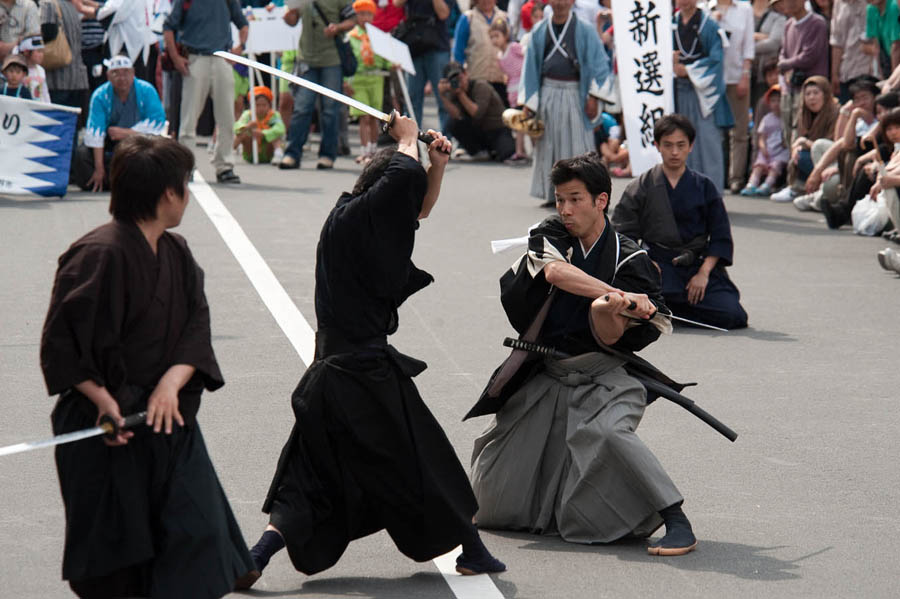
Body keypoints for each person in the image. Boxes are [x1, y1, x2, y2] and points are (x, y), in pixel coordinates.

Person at [235, 115, 506, 590]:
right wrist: (406, 139)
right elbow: (403, 182)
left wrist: (435, 165)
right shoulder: (354, 220)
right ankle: (472, 548)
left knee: (309, 473)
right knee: (424, 458)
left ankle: (257, 553)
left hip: (330, 378)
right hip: (364, 374)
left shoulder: (361, 224)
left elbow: (413, 209)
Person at [39, 135, 255, 599]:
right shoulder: (97, 255)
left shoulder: (176, 252)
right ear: (166, 195)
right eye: (184, 185)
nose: (188, 196)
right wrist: (102, 402)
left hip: (166, 419)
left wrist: (170, 386)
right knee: (121, 562)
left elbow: (195, 326)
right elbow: (62, 345)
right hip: (107, 425)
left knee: (195, 538)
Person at [468, 153, 699, 557]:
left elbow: (612, 339)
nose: (566, 209)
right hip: (550, 371)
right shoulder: (552, 232)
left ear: (601, 200)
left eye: (575, 199)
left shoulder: (631, 259)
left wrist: (611, 309)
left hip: (605, 374)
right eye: (560, 199)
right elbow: (555, 273)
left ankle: (676, 519)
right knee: (491, 500)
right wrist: (615, 295)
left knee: (609, 433)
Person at [614, 114, 748, 331]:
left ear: (691, 146)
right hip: (658, 267)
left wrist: (704, 273)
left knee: (733, 315)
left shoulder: (705, 186)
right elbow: (622, 235)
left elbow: (720, 235)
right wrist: (645, 263)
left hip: (695, 265)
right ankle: (663, 307)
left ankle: (664, 311)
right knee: (625, 295)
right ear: (657, 145)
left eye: (680, 145)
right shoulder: (641, 186)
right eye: (667, 145)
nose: (674, 152)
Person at [520, 0, 609, 206]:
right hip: (548, 92)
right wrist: (528, 103)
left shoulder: (585, 29)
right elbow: (530, 68)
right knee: (548, 143)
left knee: (578, 144)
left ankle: (584, 192)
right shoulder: (539, 30)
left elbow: (599, 64)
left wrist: (594, 97)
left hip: (575, 93)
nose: (560, 3)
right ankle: (554, 194)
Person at [163, 0, 248, 184]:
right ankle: (187, 166)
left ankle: (224, 166)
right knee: (189, 118)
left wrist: (240, 48)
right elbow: (168, 27)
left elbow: (243, 23)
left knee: (227, 118)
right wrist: (175, 58)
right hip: (195, 57)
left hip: (222, 58)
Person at [279, 0, 356, 170]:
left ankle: (327, 155)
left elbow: (352, 19)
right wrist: (288, 17)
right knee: (302, 107)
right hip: (306, 59)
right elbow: (292, 20)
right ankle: (292, 153)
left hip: (332, 60)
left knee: (330, 109)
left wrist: (338, 27)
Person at [73, 55, 166, 192]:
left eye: (126, 73)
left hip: (139, 142)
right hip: (109, 144)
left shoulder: (146, 90)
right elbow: (95, 133)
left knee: (156, 153)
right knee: (82, 155)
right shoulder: (100, 95)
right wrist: (99, 168)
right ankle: (107, 180)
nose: (122, 78)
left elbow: (157, 123)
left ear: (133, 73)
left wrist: (127, 133)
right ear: (108, 76)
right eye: (116, 73)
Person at [672, 0, 734, 196]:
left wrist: (688, 71)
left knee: (707, 141)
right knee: (680, 141)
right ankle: (685, 192)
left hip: (704, 92)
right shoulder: (670, 24)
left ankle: (712, 193)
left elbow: (716, 59)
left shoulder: (709, 25)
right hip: (679, 91)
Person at [792, 76, 880, 211]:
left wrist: (855, 113)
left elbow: (849, 146)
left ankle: (825, 198)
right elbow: (839, 142)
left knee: (841, 167)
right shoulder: (859, 121)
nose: (861, 103)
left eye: (865, 98)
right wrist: (847, 113)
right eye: (857, 99)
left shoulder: (881, 120)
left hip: (861, 167)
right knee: (819, 145)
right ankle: (820, 194)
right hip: (841, 165)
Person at [823, 104, 900, 228]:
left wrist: (881, 173)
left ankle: (842, 213)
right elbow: (878, 152)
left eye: (897, 127)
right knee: (866, 169)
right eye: (889, 129)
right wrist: (871, 164)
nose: (893, 132)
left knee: (874, 175)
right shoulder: (894, 146)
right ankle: (844, 211)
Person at [769, 75, 839, 202]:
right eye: (808, 94)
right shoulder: (804, 115)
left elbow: (834, 145)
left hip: (833, 161)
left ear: (826, 94)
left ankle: (806, 189)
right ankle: (797, 188)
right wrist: (798, 146)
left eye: (816, 93)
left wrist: (805, 142)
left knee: (808, 152)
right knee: (799, 154)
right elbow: (798, 139)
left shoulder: (836, 113)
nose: (811, 97)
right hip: (814, 157)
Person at [711, 0, 755, 194]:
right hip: (710, 79)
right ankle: (714, 177)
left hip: (736, 76)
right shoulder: (706, 9)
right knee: (713, 131)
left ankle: (736, 178)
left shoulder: (745, 9)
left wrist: (745, 75)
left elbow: (748, 46)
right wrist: (713, 21)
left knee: (739, 130)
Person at [771, 0, 828, 148]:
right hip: (789, 89)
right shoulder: (788, 24)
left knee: (803, 133)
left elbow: (810, 55)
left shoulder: (817, 23)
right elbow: (782, 53)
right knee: (788, 133)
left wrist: (785, 65)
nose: (789, 3)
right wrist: (785, 66)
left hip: (809, 90)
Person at [437, 61, 515, 162]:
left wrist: (461, 94)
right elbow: (457, 116)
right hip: (479, 131)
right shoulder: (453, 91)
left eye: (459, 77)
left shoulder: (480, 86)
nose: (458, 82)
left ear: (466, 74)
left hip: (497, 129)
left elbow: (477, 113)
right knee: (452, 123)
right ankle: (478, 151)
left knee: (507, 154)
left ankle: (496, 149)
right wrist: (443, 96)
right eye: (453, 80)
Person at [394, 0, 453, 129]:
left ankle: (445, 142)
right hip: (414, 46)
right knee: (412, 101)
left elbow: (443, 14)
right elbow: (396, 3)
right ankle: (411, 143)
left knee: (443, 97)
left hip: (437, 46)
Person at [347, 0, 391, 163]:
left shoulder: (378, 37)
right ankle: (364, 150)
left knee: (374, 116)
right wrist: (346, 81)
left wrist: (392, 64)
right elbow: (347, 59)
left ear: (373, 16)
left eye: (368, 14)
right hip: (358, 78)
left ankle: (373, 150)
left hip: (376, 77)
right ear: (356, 16)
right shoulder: (351, 36)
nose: (365, 17)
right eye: (361, 14)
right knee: (363, 116)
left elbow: (385, 57)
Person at [452, 0, 507, 103]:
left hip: (500, 79)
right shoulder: (468, 18)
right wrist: (461, 74)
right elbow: (458, 52)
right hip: (476, 80)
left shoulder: (504, 18)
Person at [489, 17, 527, 164]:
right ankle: (521, 150)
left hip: (523, 88)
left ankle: (520, 151)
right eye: (492, 37)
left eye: (497, 36)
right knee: (519, 122)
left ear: (505, 35)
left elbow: (527, 54)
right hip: (512, 91)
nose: (494, 40)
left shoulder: (514, 47)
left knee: (523, 121)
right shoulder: (499, 56)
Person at [742, 85, 790, 196]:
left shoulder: (786, 118)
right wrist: (763, 147)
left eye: (779, 100)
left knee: (775, 167)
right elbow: (762, 136)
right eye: (773, 101)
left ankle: (767, 185)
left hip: (781, 151)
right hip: (768, 149)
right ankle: (752, 184)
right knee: (758, 166)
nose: (777, 104)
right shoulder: (767, 118)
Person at [830, 0, 874, 103]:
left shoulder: (871, 3)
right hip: (845, 71)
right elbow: (836, 40)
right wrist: (835, 74)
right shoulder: (839, 3)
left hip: (868, 71)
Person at [233, 85, 287, 164]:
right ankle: (228, 153)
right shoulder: (247, 114)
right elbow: (236, 127)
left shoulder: (273, 115)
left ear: (269, 105)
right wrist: (247, 127)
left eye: (264, 105)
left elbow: (281, 129)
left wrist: (263, 133)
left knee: (276, 135)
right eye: (257, 105)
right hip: (250, 151)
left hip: (269, 152)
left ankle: (278, 154)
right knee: (241, 134)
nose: (261, 108)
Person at [863, 0, 900, 78]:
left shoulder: (894, 5)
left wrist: (893, 78)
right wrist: (880, 73)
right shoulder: (871, 9)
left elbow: (896, 46)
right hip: (886, 58)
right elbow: (876, 45)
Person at [19, 34, 49, 102]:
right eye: (38, 51)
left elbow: (45, 92)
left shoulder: (41, 70)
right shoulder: (19, 70)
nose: (41, 55)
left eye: (42, 51)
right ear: (26, 52)